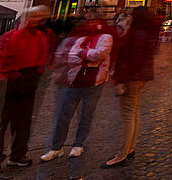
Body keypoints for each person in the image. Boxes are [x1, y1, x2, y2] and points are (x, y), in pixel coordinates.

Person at [0, 6, 57, 174]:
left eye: (43, 17)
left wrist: (38, 74)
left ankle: (18, 155)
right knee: (2, 123)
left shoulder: (43, 36)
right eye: (36, 16)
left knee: (24, 121)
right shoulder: (12, 36)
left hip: (30, 81)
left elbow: (46, 56)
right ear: (26, 18)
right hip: (10, 82)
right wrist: (14, 76)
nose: (40, 20)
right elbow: (0, 59)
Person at [39, 15, 115, 163]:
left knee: (86, 115)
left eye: (95, 22)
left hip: (95, 82)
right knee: (64, 114)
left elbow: (99, 55)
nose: (92, 25)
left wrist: (83, 54)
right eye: (90, 22)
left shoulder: (106, 38)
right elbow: (71, 57)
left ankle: (78, 144)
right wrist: (88, 55)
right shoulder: (80, 40)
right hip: (75, 81)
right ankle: (56, 147)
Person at [103, 7, 159, 168]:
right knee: (133, 113)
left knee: (127, 115)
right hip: (143, 77)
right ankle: (130, 147)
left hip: (132, 78)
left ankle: (121, 154)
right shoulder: (148, 33)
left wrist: (121, 80)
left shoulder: (135, 34)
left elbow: (130, 59)